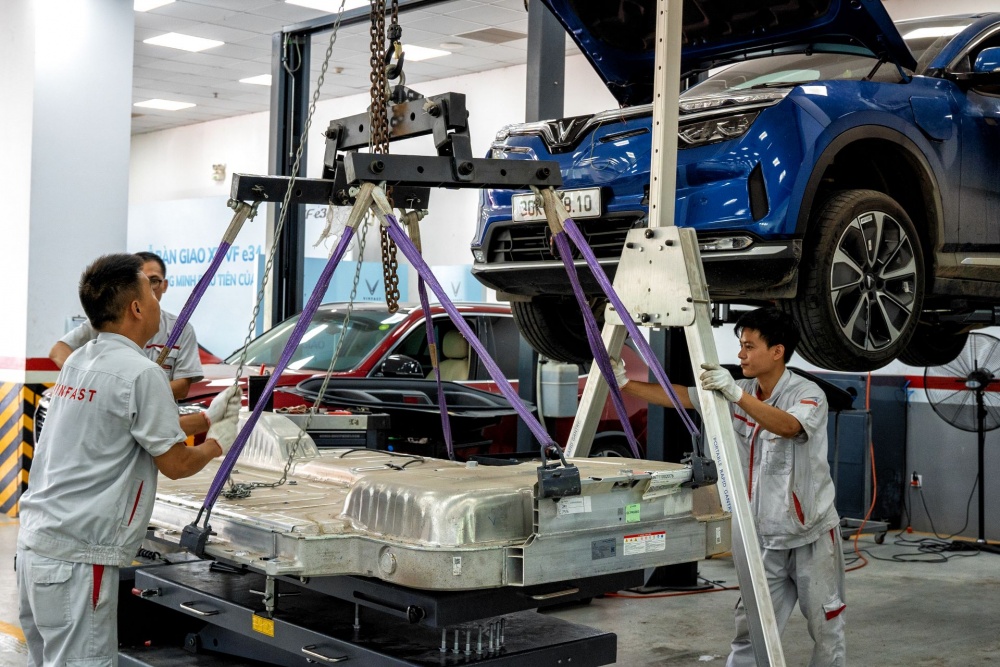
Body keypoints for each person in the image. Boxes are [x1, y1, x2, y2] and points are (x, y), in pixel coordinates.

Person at [17, 253, 243, 667]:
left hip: (38, 545)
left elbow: (127, 423)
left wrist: (208, 418)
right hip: (80, 557)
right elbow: (175, 463)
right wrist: (219, 443)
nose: (158, 299)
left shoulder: (79, 362)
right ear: (136, 308)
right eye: (151, 291)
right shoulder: (142, 373)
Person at [612, 307, 845, 666]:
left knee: (826, 626)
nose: (741, 355)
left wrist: (735, 394)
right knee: (751, 626)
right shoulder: (741, 390)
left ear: (777, 351)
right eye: (741, 345)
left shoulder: (807, 394)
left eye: (749, 347)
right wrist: (625, 384)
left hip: (810, 535)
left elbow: (788, 426)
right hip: (762, 538)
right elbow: (682, 396)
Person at [49, 251, 203, 400]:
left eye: (154, 281)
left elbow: (182, 387)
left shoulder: (181, 329)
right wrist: (91, 382)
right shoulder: (106, 320)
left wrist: (125, 393)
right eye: (143, 283)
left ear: (165, 285)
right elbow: (58, 350)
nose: (149, 289)